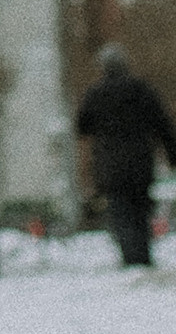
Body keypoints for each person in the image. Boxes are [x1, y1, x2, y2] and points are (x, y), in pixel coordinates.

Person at [75, 44, 176, 268]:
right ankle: (142, 256)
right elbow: (162, 124)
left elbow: (82, 126)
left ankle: (131, 258)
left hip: (110, 166)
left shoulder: (95, 94)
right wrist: (172, 155)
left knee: (120, 212)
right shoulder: (141, 90)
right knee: (140, 210)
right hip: (140, 162)